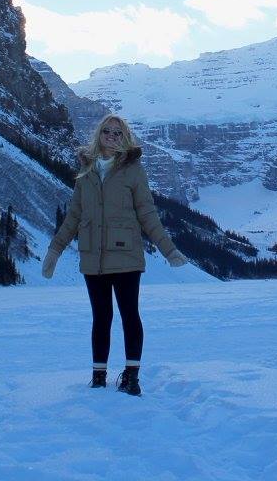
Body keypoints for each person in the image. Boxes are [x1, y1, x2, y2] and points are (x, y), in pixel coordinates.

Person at [41, 114, 187, 396]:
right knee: (101, 317)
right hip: (92, 257)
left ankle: (131, 377)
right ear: (99, 135)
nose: (111, 135)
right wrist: (55, 250)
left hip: (126, 256)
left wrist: (169, 250)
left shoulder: (133, 170)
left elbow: (147, 214)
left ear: (125, 138)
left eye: (117, 133)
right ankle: (98, 376)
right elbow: (74, 216)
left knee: (130, 315)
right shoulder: (86, 172)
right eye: (106, 131)